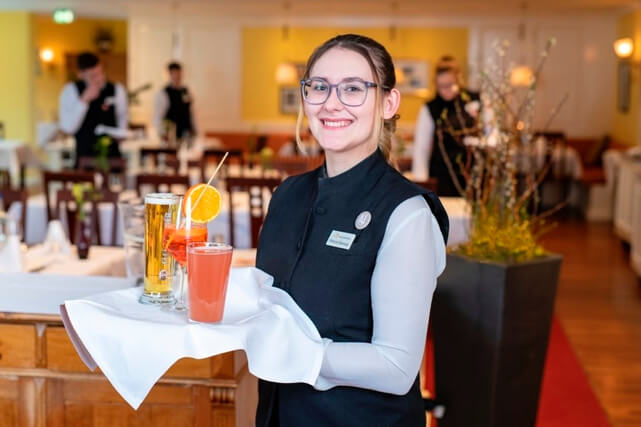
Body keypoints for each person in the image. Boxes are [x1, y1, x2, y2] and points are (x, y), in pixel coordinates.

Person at [255, 34, 449, 427]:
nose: (331, 103)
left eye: (353, 89)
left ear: (388, 103)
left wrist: (294, 351)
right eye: (319, 87)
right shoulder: (286, 195)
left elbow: (396, 366)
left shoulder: (406, 213)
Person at [412, 56, 480, 196]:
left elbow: (489, 132)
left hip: (472, 171)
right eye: (441, 86)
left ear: (458, 80)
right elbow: (421, 148)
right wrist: (421, 182)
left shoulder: (473, 100)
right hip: (442, 172)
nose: (446, 90)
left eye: (450, 85)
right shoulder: (430, 107)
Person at [59, 52, 128, 167]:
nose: (99, 79)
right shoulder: (71, 91)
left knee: (116, 184)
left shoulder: (117, 90)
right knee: (83, 184)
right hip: (84, 157)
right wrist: (84, 101)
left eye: (100, 73)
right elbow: (68, 128)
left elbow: (122, 120)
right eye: (93, 76)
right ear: (80, 74)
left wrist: (122, 134)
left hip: (112, 157)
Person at [153, 61, 196, 141]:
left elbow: (191, 114)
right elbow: (157, 116)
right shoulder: (163, 93)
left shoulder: (186, 91)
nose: (177, 76)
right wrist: (161, 133)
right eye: (174, 73)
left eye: (178, 73)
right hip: (170, 135)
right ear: (169, 74)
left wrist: (194, 130)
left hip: (186, 134)